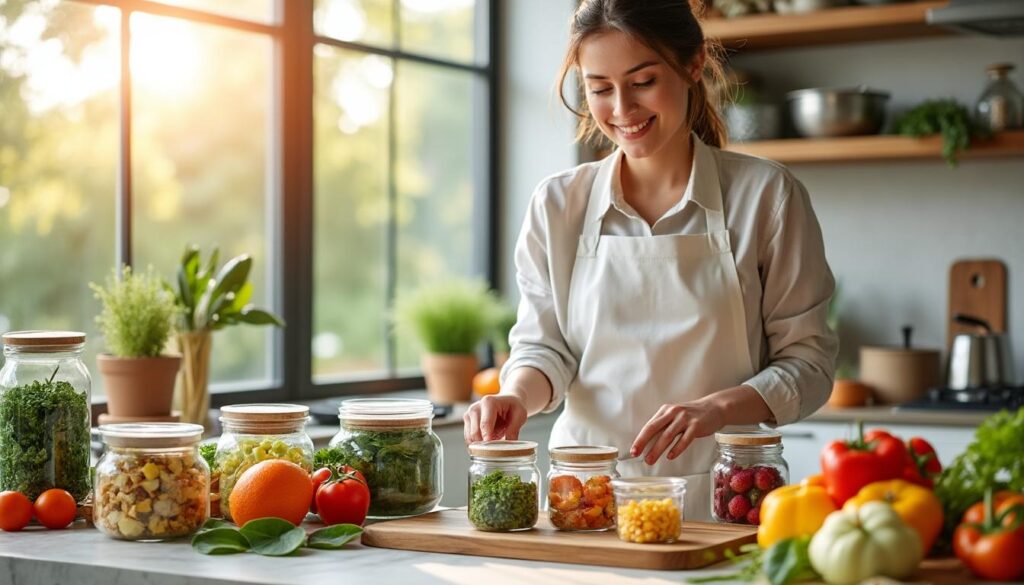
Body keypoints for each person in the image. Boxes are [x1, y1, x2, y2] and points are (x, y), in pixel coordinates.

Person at [464, 0, 838, 520]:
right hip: (586, 500)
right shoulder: (558, 204)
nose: (621, 109)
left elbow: (810, 367)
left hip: (725, 498)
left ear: (692, 64)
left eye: (642, 81)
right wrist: (517, 397)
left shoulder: (766, 196)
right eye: (599, 88)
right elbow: (545, 347)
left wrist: (717, 409)